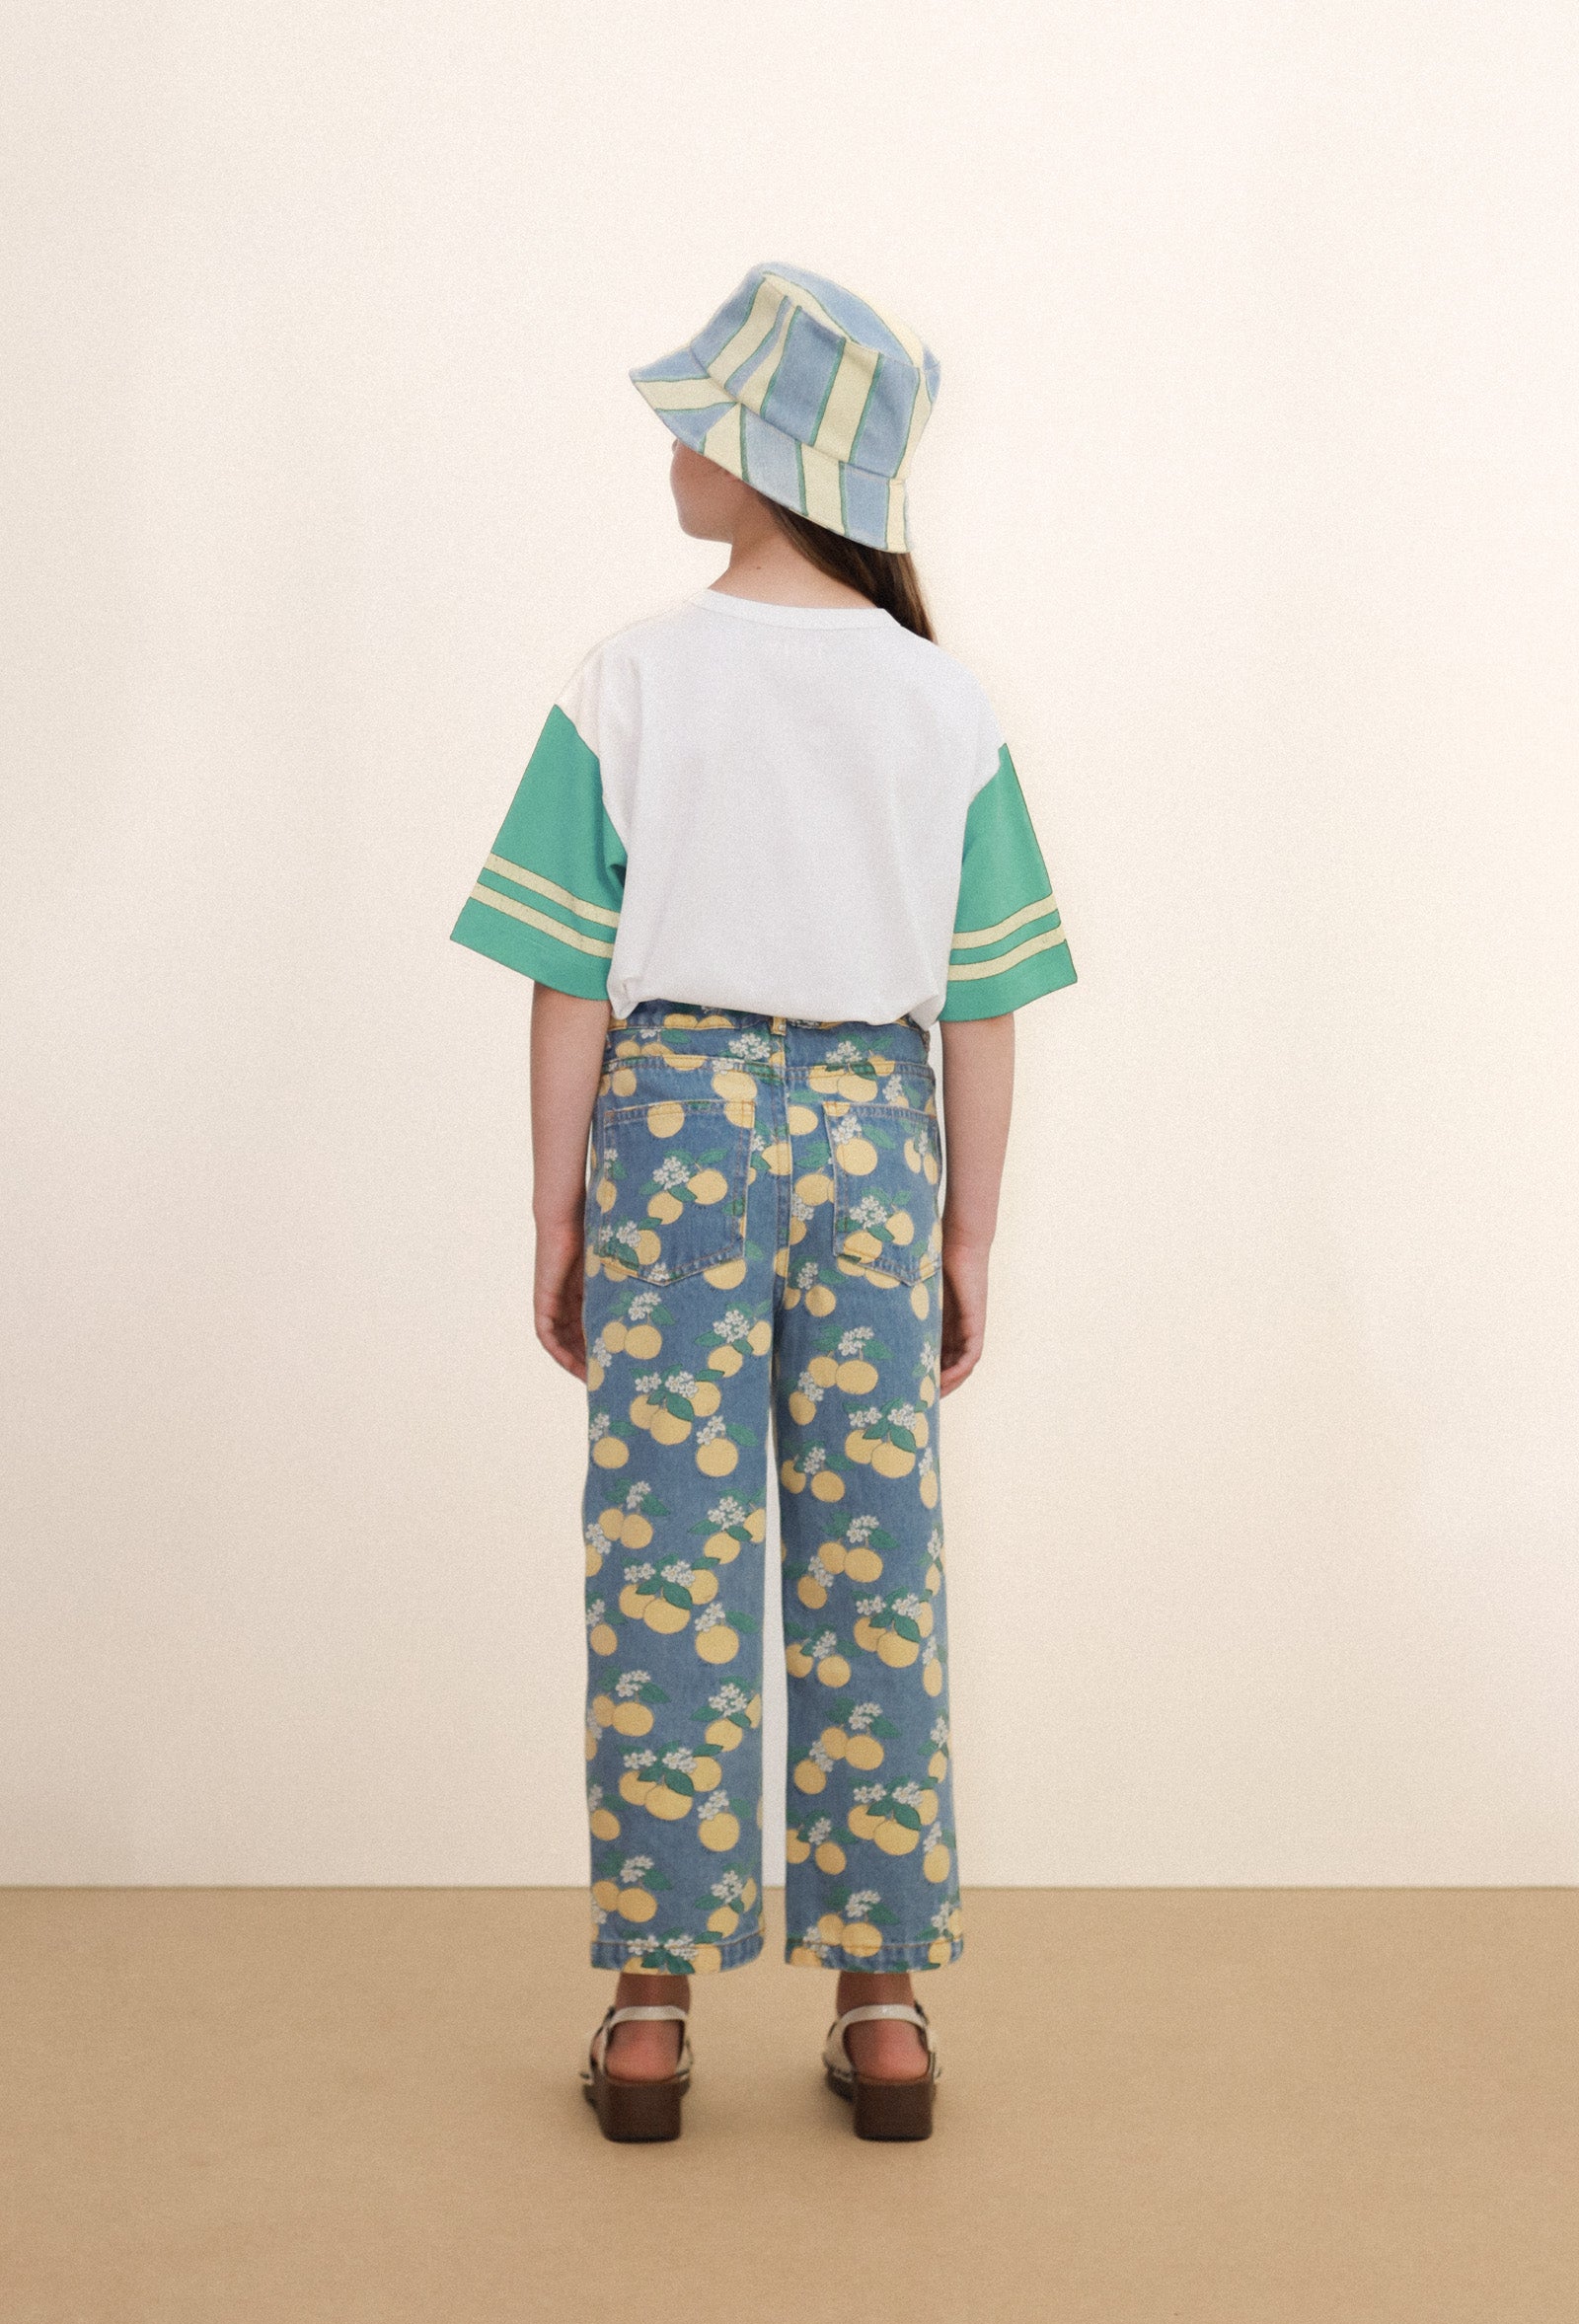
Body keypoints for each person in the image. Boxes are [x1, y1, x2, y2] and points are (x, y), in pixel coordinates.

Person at [450, 262, 1078, 2141]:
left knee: (667, 1551)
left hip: (677, 1133)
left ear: (764, 457)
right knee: (876, 1557)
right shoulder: (944, 702)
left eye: (695, 423)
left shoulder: (631, 678)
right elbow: (982, 998)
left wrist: (557, 1209)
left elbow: (570, 975)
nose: (668, 447)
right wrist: (969, 1231)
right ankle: (881, 2014)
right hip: (878, 1136)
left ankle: (651, 2021)